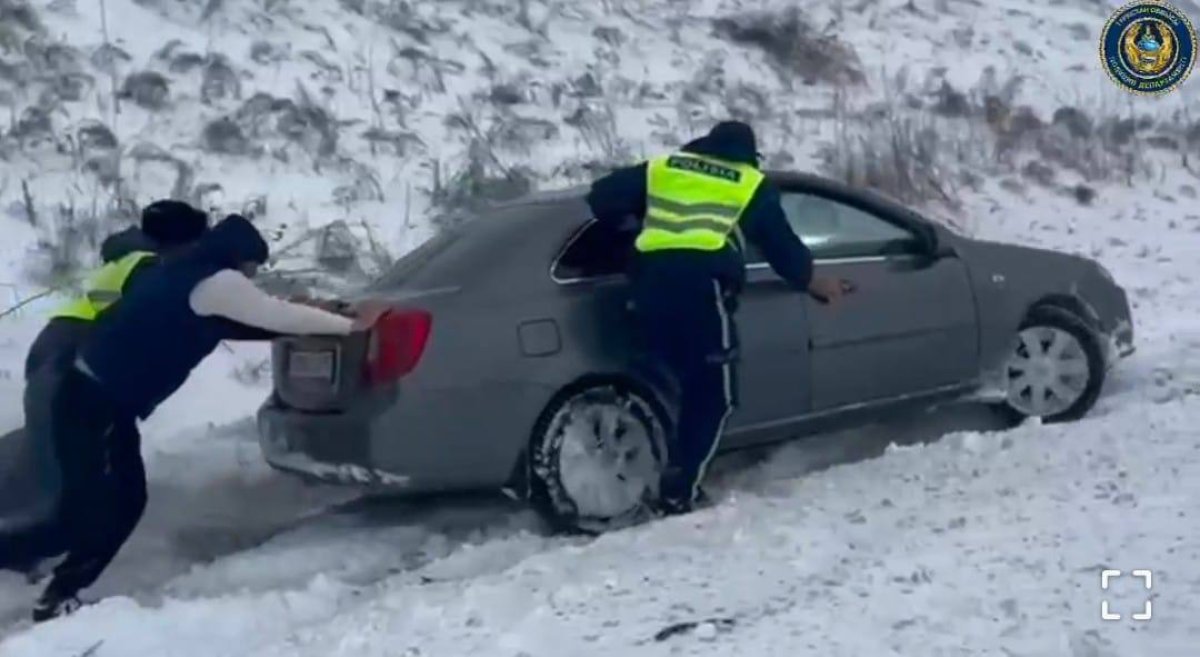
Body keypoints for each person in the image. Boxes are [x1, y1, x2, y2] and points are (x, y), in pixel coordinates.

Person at [27, 214, 369, 622]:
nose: (251, 275)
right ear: (239, 257)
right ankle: (56, 597)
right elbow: (275, 316)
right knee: (106, 507)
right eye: (252, 267)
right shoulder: (217, 281)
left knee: (96, 506)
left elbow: (237, 325)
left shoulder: (183, 273)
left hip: (89, 399)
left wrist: (321, 318)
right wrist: (350, 327)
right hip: (93, 404)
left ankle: (50, 584)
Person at [586, 120, 854, 516]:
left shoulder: (664, 168)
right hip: (700, 291)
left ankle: (638, 471)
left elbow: (601, 197)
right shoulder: (747, 182)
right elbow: (782, 247)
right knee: (715, 395)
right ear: (749, 155)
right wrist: (814, 282)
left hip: (645, 289)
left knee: (660, 380)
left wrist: (637, 226)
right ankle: (678, 494)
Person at [1, 200, 211, 580]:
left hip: (49, 365)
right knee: (76, 496)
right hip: (68, 374)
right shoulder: (149, 270)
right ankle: (24, 556)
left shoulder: (119, 267)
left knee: (44, 471)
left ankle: (22, 555)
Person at [24, 200, 211, 379]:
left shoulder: (126, 261)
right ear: (176, 242)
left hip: (49, 355)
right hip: (63, 366)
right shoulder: (147, 268)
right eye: (193, 243)